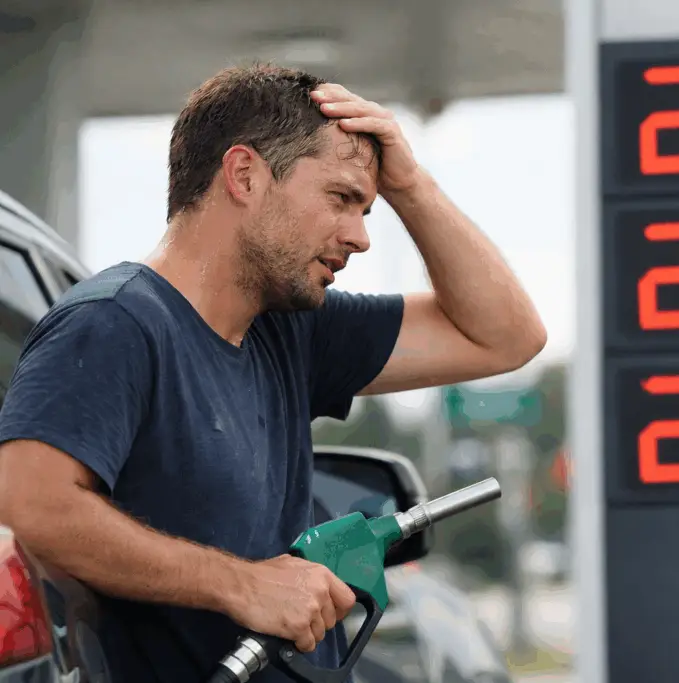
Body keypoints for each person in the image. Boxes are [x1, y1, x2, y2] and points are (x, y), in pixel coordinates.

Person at [0, 63, 546, 683]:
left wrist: (411, 186)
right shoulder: (113, 324)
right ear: (244, 175)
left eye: (367, 209)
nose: (361, 237)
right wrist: (241, 585)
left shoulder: (292, 330)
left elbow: (507, 337)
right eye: (341, 199)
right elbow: (32, 505)